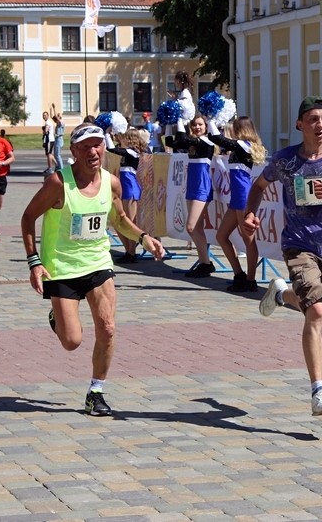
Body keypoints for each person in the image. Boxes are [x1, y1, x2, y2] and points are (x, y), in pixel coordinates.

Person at [20, 122, 165, 416]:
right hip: (61, 267)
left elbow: (120, 218)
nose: (93, 151)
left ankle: (95, 392)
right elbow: (27, 218)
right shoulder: (58, 184)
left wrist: (143, 237)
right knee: (71, 341)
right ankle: (58, 318)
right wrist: (34, 262)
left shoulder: (111, 182)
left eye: (98, 144)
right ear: (73, 151)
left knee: (108, 328)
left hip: (98, 262)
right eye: (86, 146)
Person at [242, 96, 322, 416]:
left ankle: (281, 292)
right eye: (312, 119)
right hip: (298, 245)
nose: (319, 125)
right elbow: (259, 185)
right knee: (316, 312)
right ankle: (319, 392)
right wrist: (249, 214)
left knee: (307, 303)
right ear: (300, 124)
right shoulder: (286, 161)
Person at [207, 116, 267, 292]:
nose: (231, 130)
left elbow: (217, 138)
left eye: (234, 127)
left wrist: (211, 118)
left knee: (248, 240)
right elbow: (214, 139)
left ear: (240, 129)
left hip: (243, 196)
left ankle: (250, 279)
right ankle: (239, 274)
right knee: (221, 236)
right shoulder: (241, 146)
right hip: (237, 196)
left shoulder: (244, 145)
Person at [167, 114, 216, 277]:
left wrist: (180, 119)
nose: (197, 127)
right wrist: (169, 123)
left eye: (200, 124)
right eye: (194, 125)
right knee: (196, 227)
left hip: (202, 185)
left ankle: (206, 263)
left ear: (206, 126)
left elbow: (182, 140)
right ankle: (204, 263)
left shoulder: (206, 141)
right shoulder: (193, 143)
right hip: (192, 185)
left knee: (191, 226)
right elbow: (172, 143)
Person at [106, 126, 147, 263]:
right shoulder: (127, 152)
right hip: (124, 188)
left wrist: (107, 134)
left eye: (123, 136)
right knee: (118, 222)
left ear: (129, 139)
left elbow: (112, 150)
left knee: (129, 221)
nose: (120, 137)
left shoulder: (131, 152)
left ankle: (131, 252)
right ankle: (128, 251)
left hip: (130, 189)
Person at [51, 103, 65, 171]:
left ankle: (61, 168)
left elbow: (56, 117)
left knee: (57, 155)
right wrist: (51, 109)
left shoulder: (61, 122)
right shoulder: (58, 123)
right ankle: (57, 166)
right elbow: (53, 117)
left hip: (59, 139)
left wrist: (54, 108)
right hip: (58, 139)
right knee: (55, 154)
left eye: (59, 116)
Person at [42, 111, 56, 175]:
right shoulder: (49, 122)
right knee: (50, 154)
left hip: (49, 140)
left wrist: (44, 131)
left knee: (49, 154)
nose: (44, 116)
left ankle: (50, 168)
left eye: (45, 115)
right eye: (43, 115)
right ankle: (57, 165)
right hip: (50, 139)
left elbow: (46, 130)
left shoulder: (48, 122)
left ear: (47, 116)